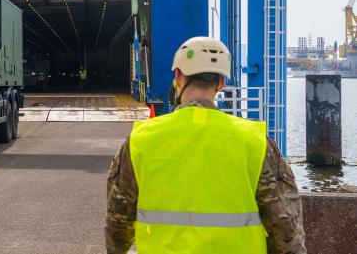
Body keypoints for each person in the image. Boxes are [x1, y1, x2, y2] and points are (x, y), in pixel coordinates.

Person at [105, 37, 305, 254]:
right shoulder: (255, 142)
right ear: (221, 83)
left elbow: (118, 222)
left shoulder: (141, 140)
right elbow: (286, 228)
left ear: (177, 76)